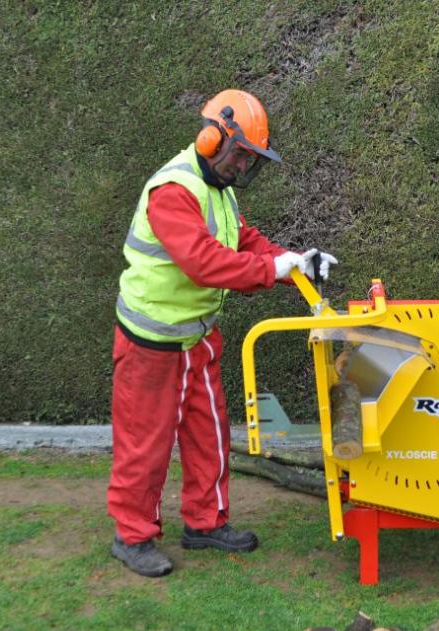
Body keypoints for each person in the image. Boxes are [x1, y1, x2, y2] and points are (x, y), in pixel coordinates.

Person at [107, 89, 337, 577]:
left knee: (209, 434)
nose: (242, 166)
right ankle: (132, 536)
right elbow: (203, 262)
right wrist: (270, 270)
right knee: (144, 447)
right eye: (240, 155)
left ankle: (205, 523)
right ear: (212, 138)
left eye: (249, 159)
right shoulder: (173, 191)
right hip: (152, 344)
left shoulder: (219, 190)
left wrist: (294, 261)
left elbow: (243, 240)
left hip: (197, 340)